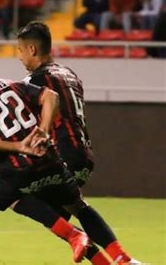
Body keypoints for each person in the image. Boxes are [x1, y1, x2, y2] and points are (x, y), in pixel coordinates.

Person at [0, 39, 92, 265]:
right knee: (64, 203)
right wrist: (42, 131)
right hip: (51, 158)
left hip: (18, 168)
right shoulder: (6, 82)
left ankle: (72, 234)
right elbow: (51, 96)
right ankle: (102, 252)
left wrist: (17, 146)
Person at [16, 21, 140, 265]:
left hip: (61, 155)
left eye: (19, 50)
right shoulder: (69, 74)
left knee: (10, 193)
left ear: (31, 49)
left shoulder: (34, 82)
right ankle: (122, 259)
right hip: (84, 155)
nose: (18, 57)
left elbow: (32, 123)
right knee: (75, 206)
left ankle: (94, 250)